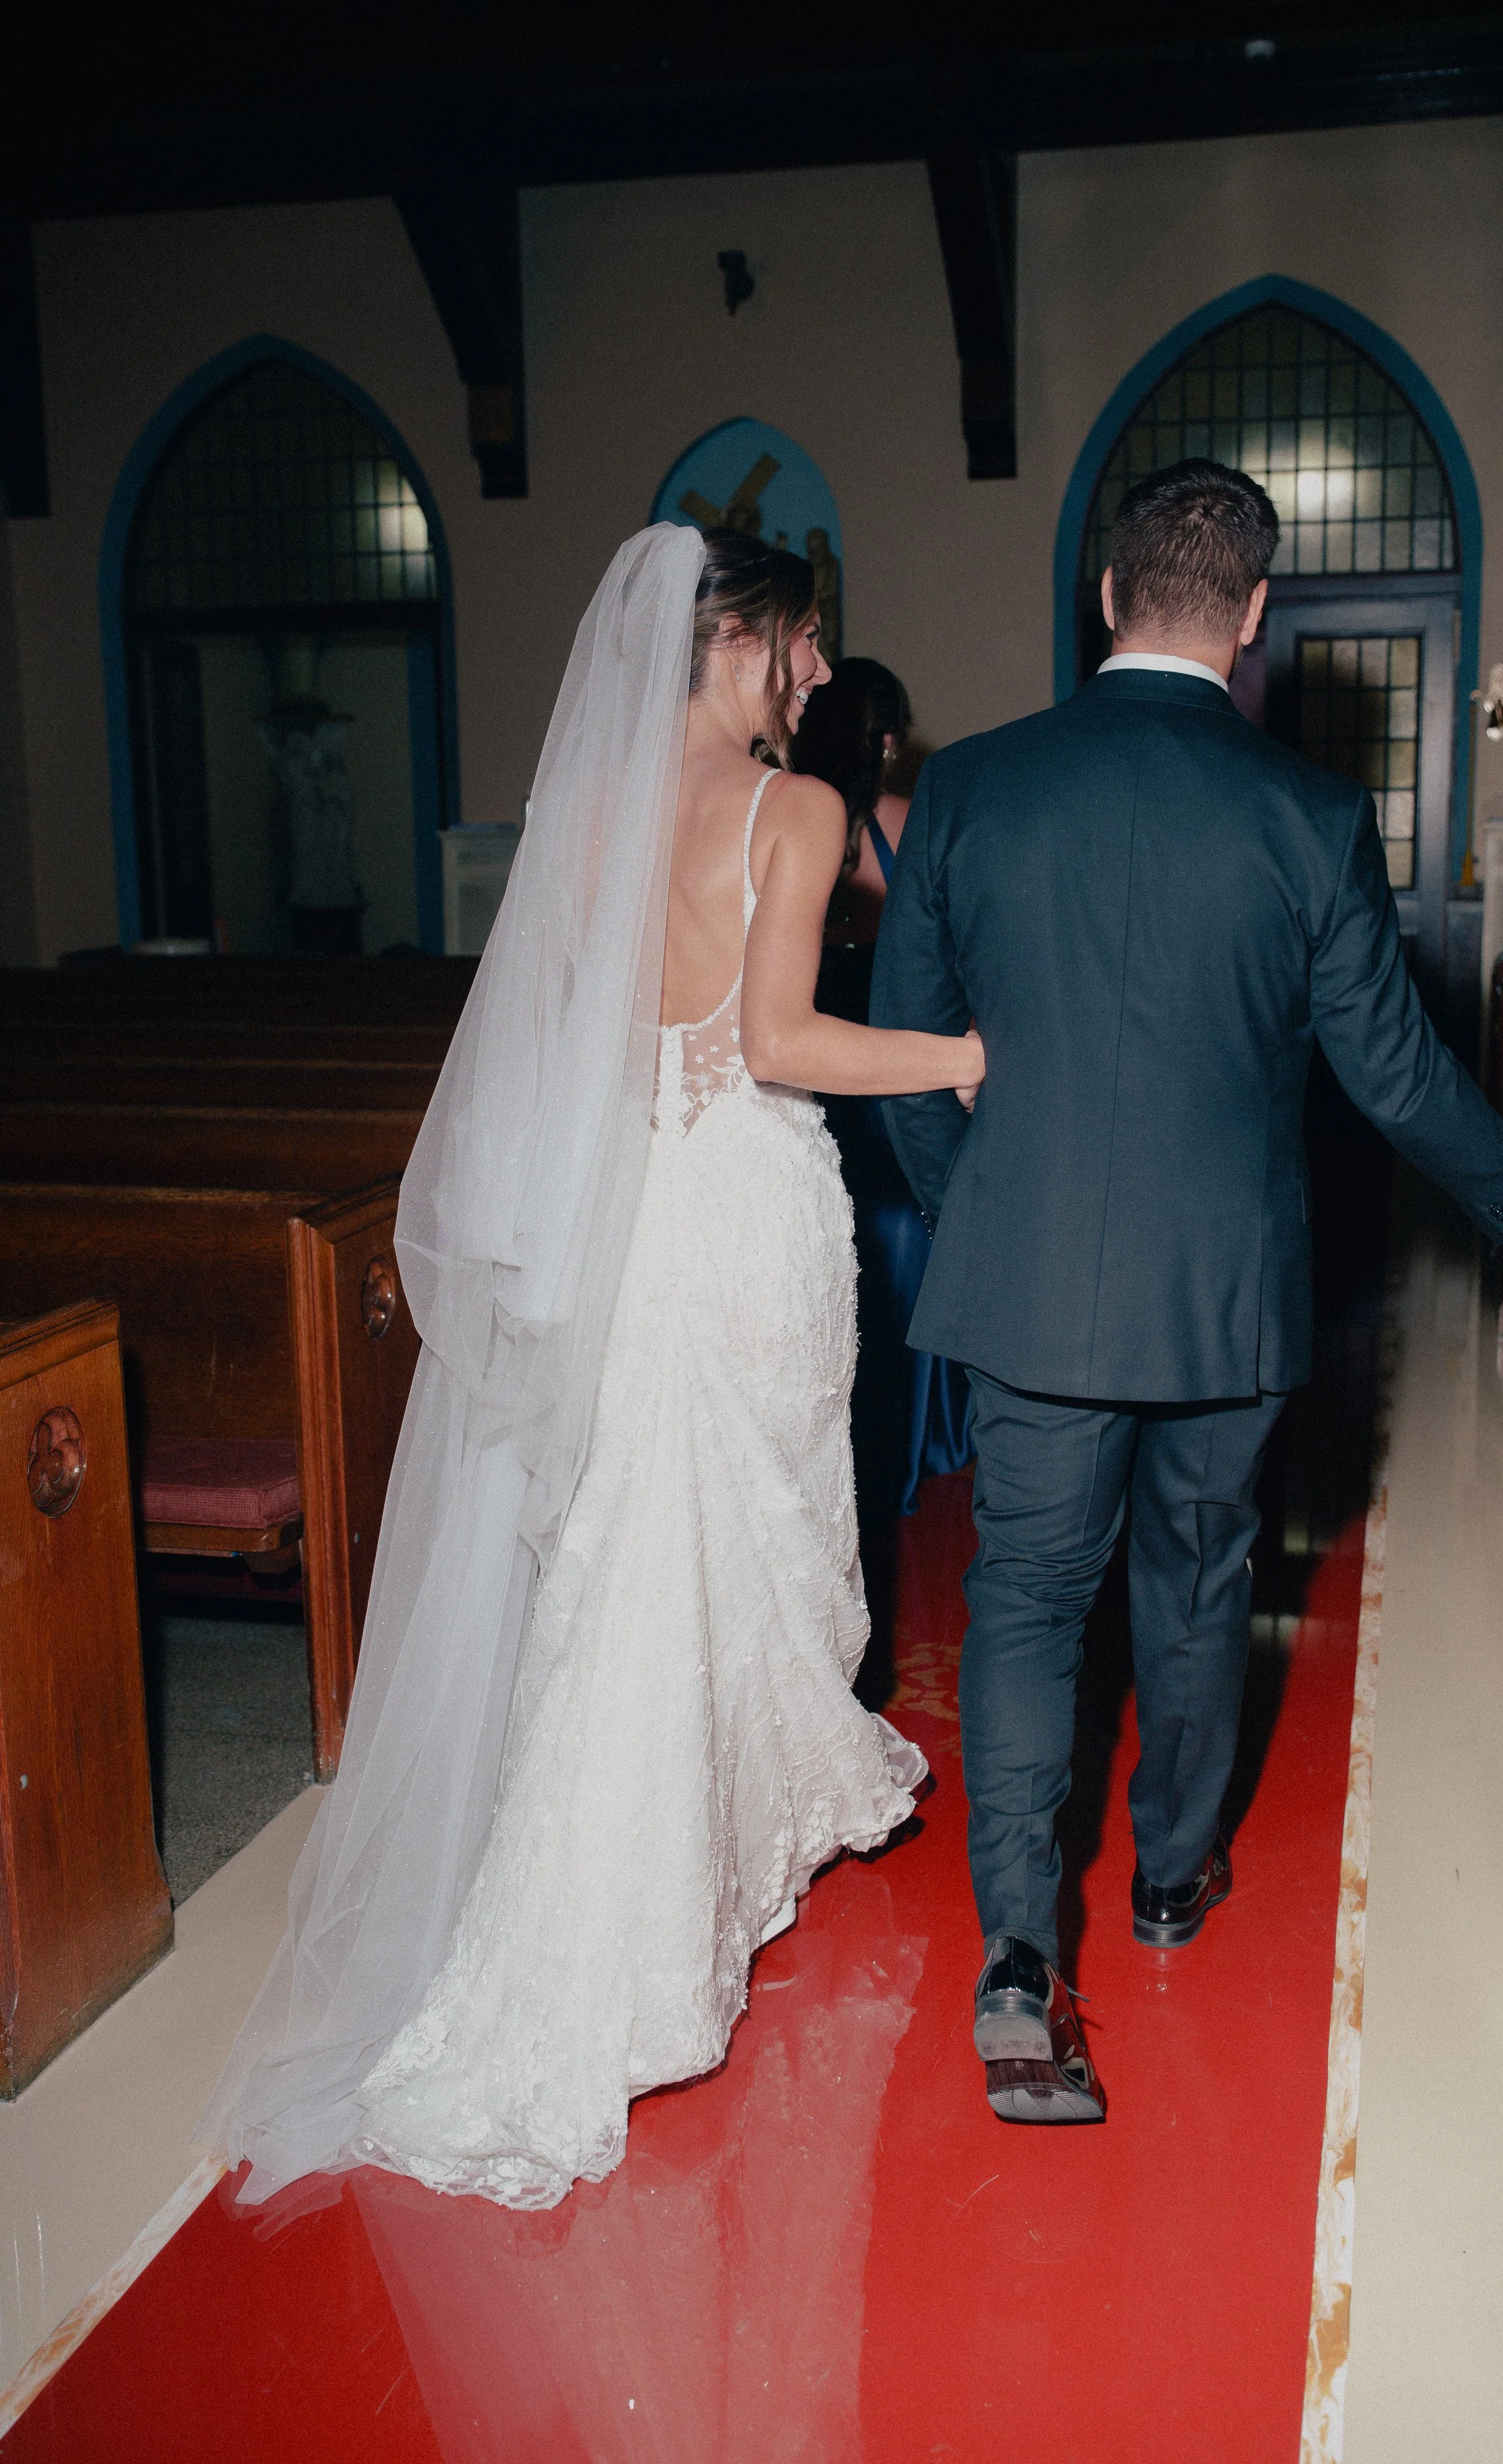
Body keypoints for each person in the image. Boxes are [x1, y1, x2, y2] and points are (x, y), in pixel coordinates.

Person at [200, 524, 984, 2208]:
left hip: (624, 1221)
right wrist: (961, 1051)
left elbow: (571, 1048)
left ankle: (611, 1901)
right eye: (808, 646)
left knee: (636, 1556)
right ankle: (636, 1938)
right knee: (727, 1549)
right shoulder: (795, 810)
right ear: (748, 643)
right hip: (748, 1213)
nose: (822, 677)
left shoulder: (587, 821)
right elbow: (778, 1042)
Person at [870, 457, 1503, 2127]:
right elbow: (1390, 1072)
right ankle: (1166, 1880)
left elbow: (902, 1061)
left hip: (1030, 1289)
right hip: (1223, 1297)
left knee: (1020, 1602)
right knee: (1199, 1576)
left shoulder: (975, 791)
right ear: (1249, 619)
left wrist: (982, 1216)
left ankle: (1017, 1960)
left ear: (1101, 601)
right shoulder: (1302, 816)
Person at [793, 658, 973, 1534]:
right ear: (892, 742)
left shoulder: (785, 825)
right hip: (896, 1088)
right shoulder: (907, 826)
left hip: (811, 1088)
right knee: (907, 1248)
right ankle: (920, 1445)